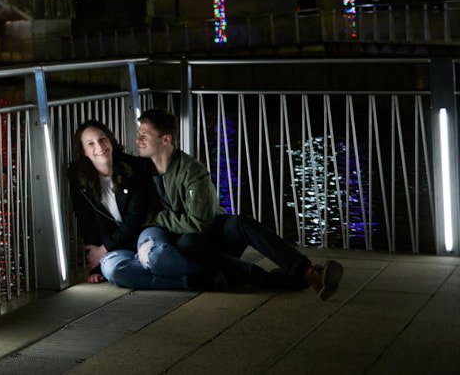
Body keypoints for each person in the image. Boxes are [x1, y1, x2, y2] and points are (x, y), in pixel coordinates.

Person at [134, 107, 344, 299]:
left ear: (166, 139)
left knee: (238, 224)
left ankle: (305, 269)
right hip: (177, 248)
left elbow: (200, 224)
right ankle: (301, 278)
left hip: (207, 239)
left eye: (144, 135)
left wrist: (159, 218)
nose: (137, 140)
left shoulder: (192, 171)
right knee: (189, 245)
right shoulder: (141, 170)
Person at [67, 119, 201, 289]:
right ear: (84, 151)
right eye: (90, 143)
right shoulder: (79, 178)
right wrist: (97, 267)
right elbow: (86, 220)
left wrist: (104, 249)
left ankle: (208, 270)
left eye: (102, 139)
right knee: (114, 271)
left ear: (110, 140)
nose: (99, 147)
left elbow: (136, 218)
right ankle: (187, 281)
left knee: (156, 258)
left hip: (144, 230)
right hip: (116, 247)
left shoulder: (133, 167)